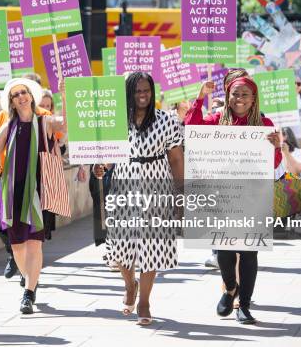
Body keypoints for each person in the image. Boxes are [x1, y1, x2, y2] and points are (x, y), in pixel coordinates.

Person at [184, 73, 282, 325]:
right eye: (235, 94)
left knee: (249, 253)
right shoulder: (218, 119)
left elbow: (273, 163)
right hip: (222, 196)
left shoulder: (264, 123)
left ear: (253, 99)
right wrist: (200, 97)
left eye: (244, 94)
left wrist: (276, 147)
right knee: (225, 253)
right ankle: (230, 289)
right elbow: (191, 130)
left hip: (252, 196)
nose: (239, 99)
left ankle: (245, 306)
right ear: (228, 96)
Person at [94, 72, 184, 326]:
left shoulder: (167, 120)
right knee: (122, 248)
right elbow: (108, 155)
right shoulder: (118, 121)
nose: (143, 95)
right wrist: (100, 166)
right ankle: (129, 284)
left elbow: (176, 159)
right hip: (124, 185)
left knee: (152, 247)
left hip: (157, 187)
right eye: (137, 91)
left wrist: (182, 194)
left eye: (147, 91)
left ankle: (144, 300)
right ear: (129, 94)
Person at [0, 77, 67, 315]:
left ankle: (28, 292)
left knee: (35, 244)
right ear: (12, 102)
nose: (21, 97)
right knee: (17, 246)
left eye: (24, 92)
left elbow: (65, 125)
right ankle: (30, 279)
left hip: (39, 190)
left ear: (31, 95)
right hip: (12, 192)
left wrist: (64, 96)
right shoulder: (8, 126)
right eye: (16, 95)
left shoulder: (45, 120)